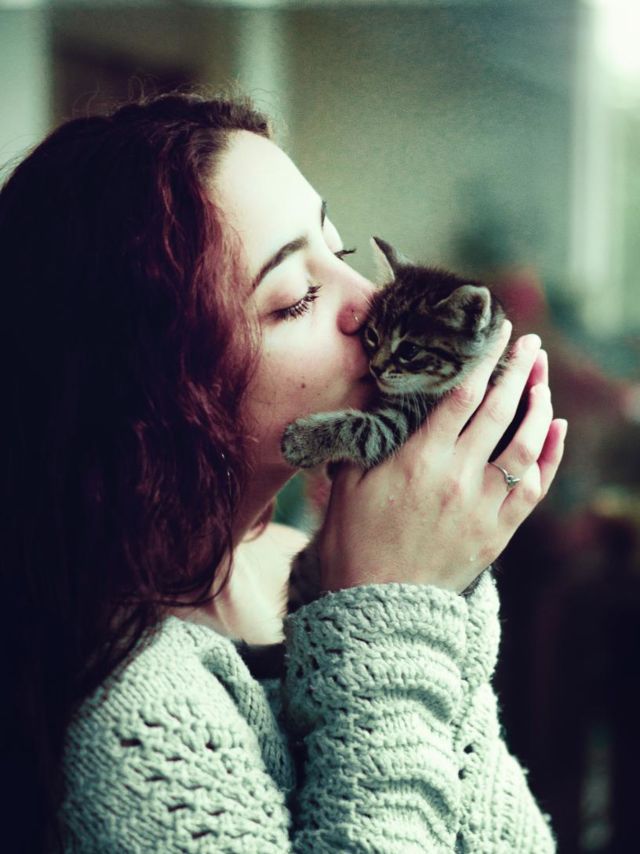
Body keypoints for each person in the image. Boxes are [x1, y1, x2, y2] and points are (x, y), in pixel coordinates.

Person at [0, 92, 566, 852]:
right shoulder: (122, 702)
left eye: (341, 254)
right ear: (155, 387)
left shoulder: (315, 559)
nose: (368, 302)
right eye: (297, 297)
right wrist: (391, 617)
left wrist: (435, 585)